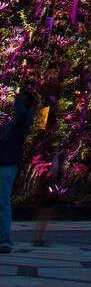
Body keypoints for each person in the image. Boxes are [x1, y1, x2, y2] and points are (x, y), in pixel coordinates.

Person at [0, 89, 36, 253]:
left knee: (3, 202)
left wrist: (18, 97)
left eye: (20, 99)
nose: (16, 102)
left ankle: (5, 240)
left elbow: (21, 110)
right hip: (3, 161)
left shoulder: (26, 116)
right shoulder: (15, 120)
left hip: (7, 164)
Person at [34, 145, 65, 247]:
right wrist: (56, 155)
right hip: (48, 195)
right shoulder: (51, 167)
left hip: (47, 194)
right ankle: (38, 239)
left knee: (43, 216)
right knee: (44, 216)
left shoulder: (49, 165)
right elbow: (53, 170)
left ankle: (38, 238)